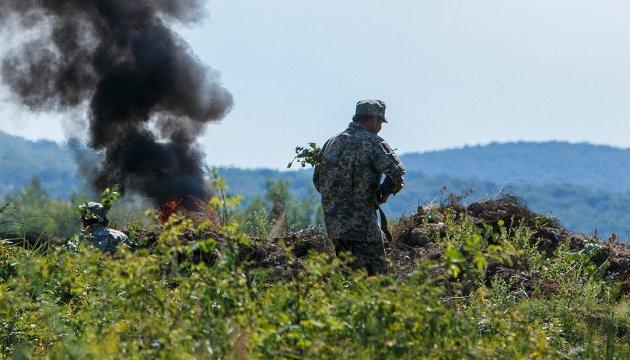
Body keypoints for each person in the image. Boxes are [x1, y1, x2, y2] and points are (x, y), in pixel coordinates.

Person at [313, 99, 405, 275]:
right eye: (380, 123)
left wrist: (337, 200)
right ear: (373, 120)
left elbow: (318, 180)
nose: (380, 127)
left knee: (350, 281)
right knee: (376, 281)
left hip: (335, 226)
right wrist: (382, 193)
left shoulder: (330, 143)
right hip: (363, 228)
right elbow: (398, 173)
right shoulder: (373, 142)